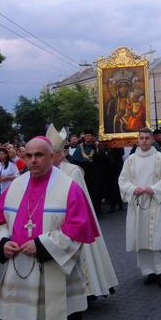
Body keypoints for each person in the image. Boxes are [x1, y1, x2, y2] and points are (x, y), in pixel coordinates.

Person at [0, 136, 99, 320]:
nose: (33, 160)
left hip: (55, 277)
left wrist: (42, 244)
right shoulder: (16, 186)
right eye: (28, 155)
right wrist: (3, 242)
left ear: (52, 156)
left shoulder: (69, 188)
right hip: (19, 276)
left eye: (39, 155)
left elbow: (77, 231)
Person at [46, 124, 118, 299]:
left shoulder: (72, 171)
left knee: (83, 257)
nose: (49, 158)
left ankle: (89, 290)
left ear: (61, 154)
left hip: (74, 221)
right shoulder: (47, 172)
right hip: (55, 223)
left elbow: (80, 200)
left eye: (52, 154)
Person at [118, 127, 161, 288]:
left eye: (147, 138)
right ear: (138, 140)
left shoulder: (159, 158)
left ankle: (160, 272)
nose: (144, 141)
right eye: (141, 138)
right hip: (138, 204)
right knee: (141, 239)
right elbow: (123, 181)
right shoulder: (131, 160)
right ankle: (148, 271)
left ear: (152, 140)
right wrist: (132, 189)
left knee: (157, 237)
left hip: (156, 203)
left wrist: (154, 189)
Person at [71, 130, 102, 216]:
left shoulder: (96, 146)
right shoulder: (80, 147)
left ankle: (96, 211)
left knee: (95, 192)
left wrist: (98, 148)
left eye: (89, 136)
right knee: (84, 192)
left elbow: (101, 158)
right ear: (84, 137)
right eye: (86, 136)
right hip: (84, 173)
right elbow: (75, 160)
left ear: (92, 137)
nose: (88, 137)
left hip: (95, 173)